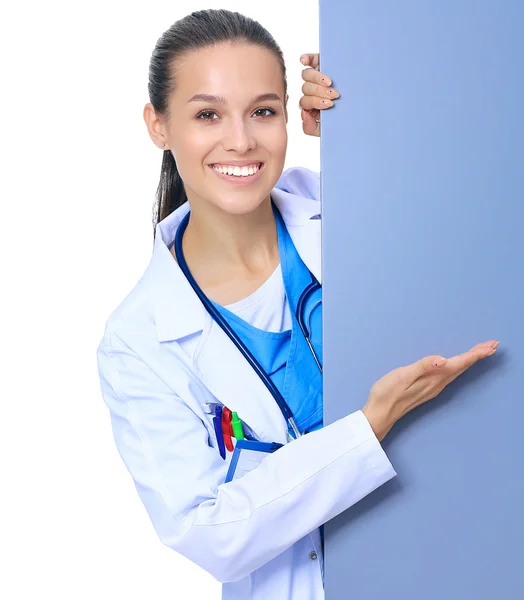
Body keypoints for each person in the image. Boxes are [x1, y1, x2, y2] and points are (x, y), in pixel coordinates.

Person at [96, 9, 499, 600]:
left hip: (454, 548)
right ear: (158, 125)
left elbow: (468, 206)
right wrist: (370, 425)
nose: (241, 140)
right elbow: (210, 534)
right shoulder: (138, 340)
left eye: (263, 111)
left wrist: (363, 131)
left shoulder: (344, 209)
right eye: (208, 114)